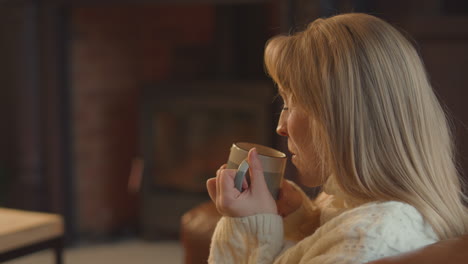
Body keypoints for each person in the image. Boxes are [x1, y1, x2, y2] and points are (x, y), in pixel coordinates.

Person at [205, 13, 468, 263]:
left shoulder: (373, 238)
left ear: (340, 117)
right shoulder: (354, 207)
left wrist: (252, 225)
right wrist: (303, 220)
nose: (280, 127)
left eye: (291, 104)